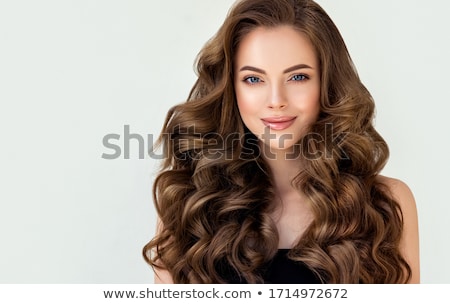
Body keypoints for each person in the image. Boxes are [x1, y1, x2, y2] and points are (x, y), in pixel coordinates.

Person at [142, 0, 420, 284]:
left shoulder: (386, 204)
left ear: (327, 84)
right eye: (253, 79)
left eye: (298, 77)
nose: (276, 101)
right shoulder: (188, 205)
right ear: (230, 89)